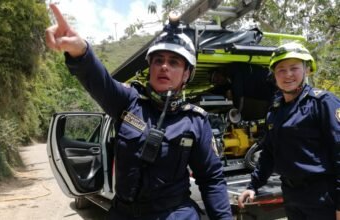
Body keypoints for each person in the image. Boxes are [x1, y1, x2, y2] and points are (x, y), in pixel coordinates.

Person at [46, 4, 232, 220]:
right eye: (158, 60)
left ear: (186, 74)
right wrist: (80, 51)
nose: (164, 67)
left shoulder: (195, 121)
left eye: (174, 62)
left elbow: (211, 179)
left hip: (175, 214)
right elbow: (100, 82)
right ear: (150, 67)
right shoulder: (128, 101)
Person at [237, 42, 340, 220]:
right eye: (281, 70)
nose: (288, 75)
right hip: (292, 195)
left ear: (307, 70)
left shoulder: (323, 103)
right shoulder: (275, 110)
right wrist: (252, 186)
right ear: (274, 75)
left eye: (294, 68)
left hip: (323, 197)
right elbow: (269, 153)